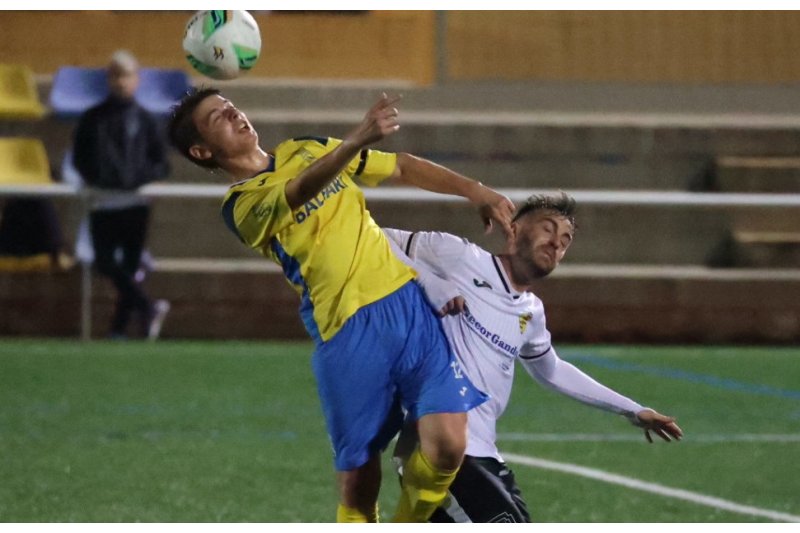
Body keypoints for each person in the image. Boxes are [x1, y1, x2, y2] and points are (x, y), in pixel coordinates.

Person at [166, 88, 517, 522]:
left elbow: (402, 166)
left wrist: (476, 191)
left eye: (231, 106)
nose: (235, 114)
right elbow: (298, 190)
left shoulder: (305, 148)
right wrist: (355, 140)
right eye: (218, 116)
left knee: (449, 444)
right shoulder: (240, 206)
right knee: (358, 482)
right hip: (347, 332)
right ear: (202, 151)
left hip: (407, 305)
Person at [384, 192, 684, 523]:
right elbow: (370, 237)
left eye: (566, 240)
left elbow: (552, 370)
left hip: (482, 452)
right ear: (513, 229)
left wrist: (632, 409)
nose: (557, 243)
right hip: (441, 449)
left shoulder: (531, 311)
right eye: (548, 229)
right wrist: (426, 279)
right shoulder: (459, 257)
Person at [72, 50, 171, 340]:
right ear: (108, 78)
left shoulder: (146, 119)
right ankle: (148, 306)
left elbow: (160, 163)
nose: (121, 82)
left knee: (129, 265)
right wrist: (99, 178)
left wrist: (136, 179)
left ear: (136, 80)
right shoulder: (92, 119)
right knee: (104, 262)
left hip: (135, 203)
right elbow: (81, 158)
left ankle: (118, 329)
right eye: (115, 75)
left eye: (126, 75)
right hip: (102, 201)